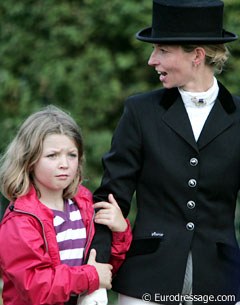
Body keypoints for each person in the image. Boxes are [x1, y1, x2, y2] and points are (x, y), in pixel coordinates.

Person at [90, 0, 240, 304]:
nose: (151, 60)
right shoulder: (140, 111)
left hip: (221, 279)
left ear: (197, 55)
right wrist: (96, 272)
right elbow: (112, 197)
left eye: (162, 50)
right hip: (147, 278)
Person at [0, 105, 132, 305]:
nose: (64, 163)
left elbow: (106, 269)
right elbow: (35, 287)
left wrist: (120, 231)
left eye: (71, 154)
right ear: (29, 160)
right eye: (52, 155)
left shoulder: (85, 206)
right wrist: (90, 277)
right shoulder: (20, 221)